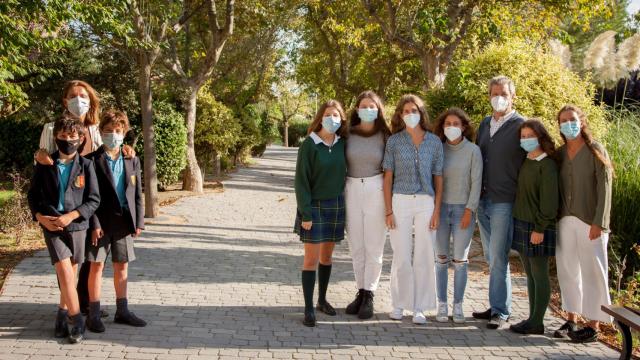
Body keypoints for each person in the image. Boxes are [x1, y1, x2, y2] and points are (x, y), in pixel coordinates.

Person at [27, 116, 100, 344]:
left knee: (73, 272)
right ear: (56, 137)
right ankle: (76, 319)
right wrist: (40, 218)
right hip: (51, 224)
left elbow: (94, 199)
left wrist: (72, 216)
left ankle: (61, 312)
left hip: (77, 226)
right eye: (62, 136)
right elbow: (33, 196)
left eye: (72, 136)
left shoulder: (87, 165)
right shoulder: (45, 164)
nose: (67, 140)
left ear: (80, 139)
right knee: (65, 271)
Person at [554, 105, 613, 343]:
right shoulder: (559, 154)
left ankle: (593, 324)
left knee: (593, 272)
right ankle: (572, 319)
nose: (569, 124)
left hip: (591, 221)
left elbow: (605, 188)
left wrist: (600, 222)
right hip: (564, 220)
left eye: (572, 119)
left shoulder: (595, 150)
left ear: (582, 121)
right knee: (568, 270)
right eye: (563, 121)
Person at [382, 94, 443, 324]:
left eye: (414, 110)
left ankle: (420, 307)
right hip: (400, 200)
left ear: (422, 113)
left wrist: (437, 210)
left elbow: (439, 178)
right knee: (401, 254)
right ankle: (399, 304)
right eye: (406, 111)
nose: (410, 114)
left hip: (426, 202)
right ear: (400, 115)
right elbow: (387, 178)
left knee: (425, 254)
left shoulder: (434, 142)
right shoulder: (394, 141)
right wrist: (388, 210)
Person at [472, 75, 526, 329]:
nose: (499, 97)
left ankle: (501, 311)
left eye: (503, 93)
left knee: (499, 256)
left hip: (505, 200)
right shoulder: (484, 124)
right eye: (494, 93)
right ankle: (495, 305)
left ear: (512, 95)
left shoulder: (521, 125)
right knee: (491, 257)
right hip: (483, 200)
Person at [85, 110, 146, 333]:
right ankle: (93, 313)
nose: (113, 135)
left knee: (122, 266)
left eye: (118, 131)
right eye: (108, 131)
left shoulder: (132, 159)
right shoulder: (91, 160)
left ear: (124, 133)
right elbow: (88, 197)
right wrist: (94, 225)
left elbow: (137, 193)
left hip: (123, 222)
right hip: (100, 224)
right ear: (101, 133)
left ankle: (122, 310)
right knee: (97, 266)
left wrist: (138, 222)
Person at [294, 100, 347, 327]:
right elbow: (301, 181)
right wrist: (306, 213)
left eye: (336, 115)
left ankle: (322, 301)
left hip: (335, 204)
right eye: (328, 114)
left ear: (341, 118)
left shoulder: (342, 144)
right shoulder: (309, 144)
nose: (332, 118)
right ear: (320, 117)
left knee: (327, 258)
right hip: (313, 207)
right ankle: (308, 308)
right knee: (311, 260)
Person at [432, 108, 482, 323]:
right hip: (441, 210)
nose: (451, 127)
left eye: (455, 123)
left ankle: (458, 305)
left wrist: (470, 210)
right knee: (441, 259)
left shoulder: (473, 151)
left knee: (460, 260)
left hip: (463, 209)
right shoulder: (438, 149)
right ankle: (442, 305)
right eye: (447, 124)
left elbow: (476, 182)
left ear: (463, 127)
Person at [509, 119, 559, 335]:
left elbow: (549, 203)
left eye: (531, 136)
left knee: (539, 274)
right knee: (529, 273)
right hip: (521, 222)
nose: (526, 140)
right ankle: (531, 318)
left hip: (538, 226)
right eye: (523, 136)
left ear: (540, 137)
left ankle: (538, 322)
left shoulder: (546, 165)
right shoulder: (526, 160)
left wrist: (539, 228)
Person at [344, 91, 391, 319]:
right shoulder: (347, 134)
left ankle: (370, 293)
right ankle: (360, 290)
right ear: (357, 109)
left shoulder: (385, 135)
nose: (368, 110)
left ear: (378, 110)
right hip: (351, 188)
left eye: (372, 106)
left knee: (374, 246)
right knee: (356, 246)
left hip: (376, 188)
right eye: (364, 106)